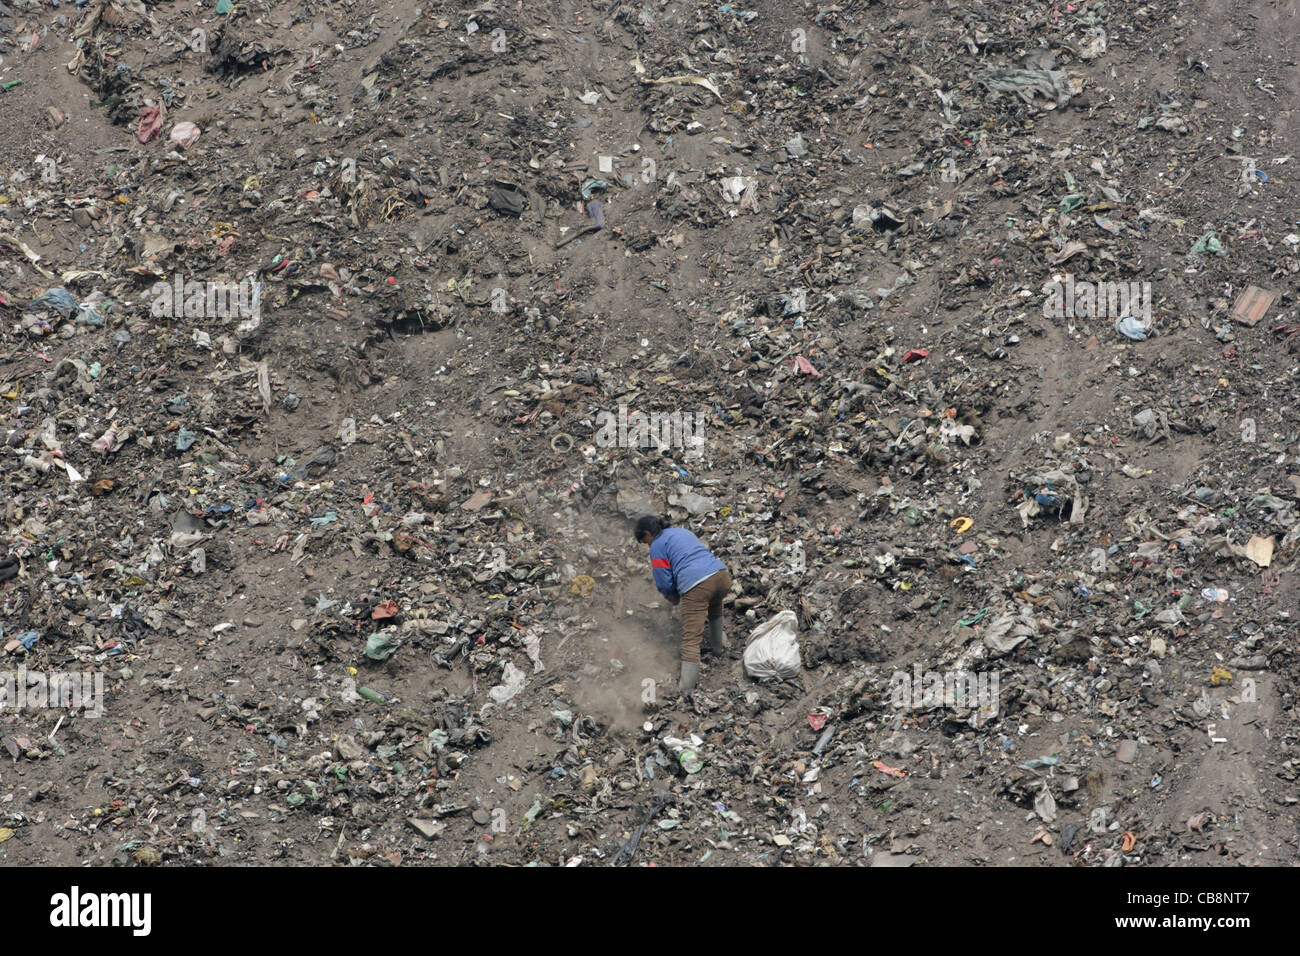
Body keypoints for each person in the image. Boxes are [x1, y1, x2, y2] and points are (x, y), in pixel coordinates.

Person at [634, 514, 732, 694]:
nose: (647, 545)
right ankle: (719, 648)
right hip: (721, 574)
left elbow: (663, 581)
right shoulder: (681, 532)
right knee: (715, 609)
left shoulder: (657, 545)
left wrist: (673, 598)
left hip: (698, 583)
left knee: (690, 639)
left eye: (644, 540)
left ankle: (686, 688)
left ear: (647, 533)